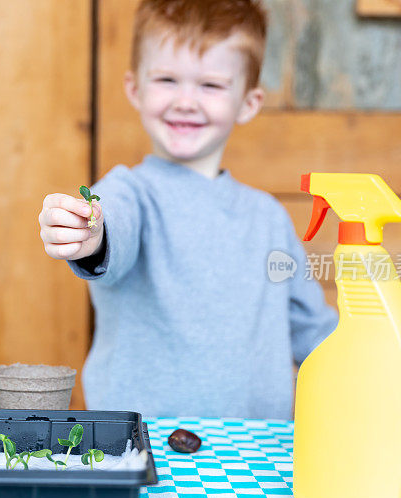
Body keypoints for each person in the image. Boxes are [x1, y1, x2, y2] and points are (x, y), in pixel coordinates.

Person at [37, 0, 337, 419]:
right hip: (141, 450)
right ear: (134, 89)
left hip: (261, 456)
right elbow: (112, 224)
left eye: (210, 85)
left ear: (249, 102)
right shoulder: (129, 192)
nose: (185, 101)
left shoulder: (269, 218)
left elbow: (316, 335)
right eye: (166, 79)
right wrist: (90, 233)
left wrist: (363, 369)